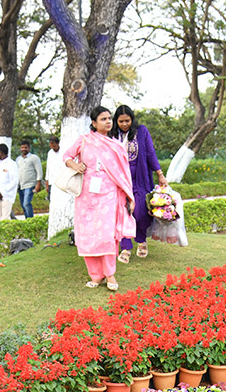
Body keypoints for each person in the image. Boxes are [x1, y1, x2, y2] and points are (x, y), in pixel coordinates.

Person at [64, 105, 134, 291]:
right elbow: (67, 156)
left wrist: (129, 197)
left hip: (109, 195)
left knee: (106, 235)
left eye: (109, 118)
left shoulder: (117, 146)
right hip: (86, 196)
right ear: (94, 123)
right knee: (88, 234)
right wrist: (75, 166)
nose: (108, 121)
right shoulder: (84, 140)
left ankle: (110, 275)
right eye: (103, 119)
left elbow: (124, 174)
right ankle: (95, 276)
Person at [109, 105, 164, 263]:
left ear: (132, 120)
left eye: (127, 120)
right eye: (121, 121)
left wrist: (159, 174)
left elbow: (150, 152)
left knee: (140, 212)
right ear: (116, 121)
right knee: (123, 212)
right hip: (119, 180)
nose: (124, 124)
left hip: (139, 177)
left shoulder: (141, 131)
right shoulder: (112, 135)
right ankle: (126, 247)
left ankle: (141, 240)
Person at [16, 140, 43, 219]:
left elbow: (39, 170)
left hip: (30, 185)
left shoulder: (34, 158)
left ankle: (30, 220)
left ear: (29, 148)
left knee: (26, 203)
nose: (24, 149)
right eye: (22, 147)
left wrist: (38, 184)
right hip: (21, 185)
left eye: (25, 147)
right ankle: (26, 219)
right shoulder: (18, 159)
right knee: (22, 205)